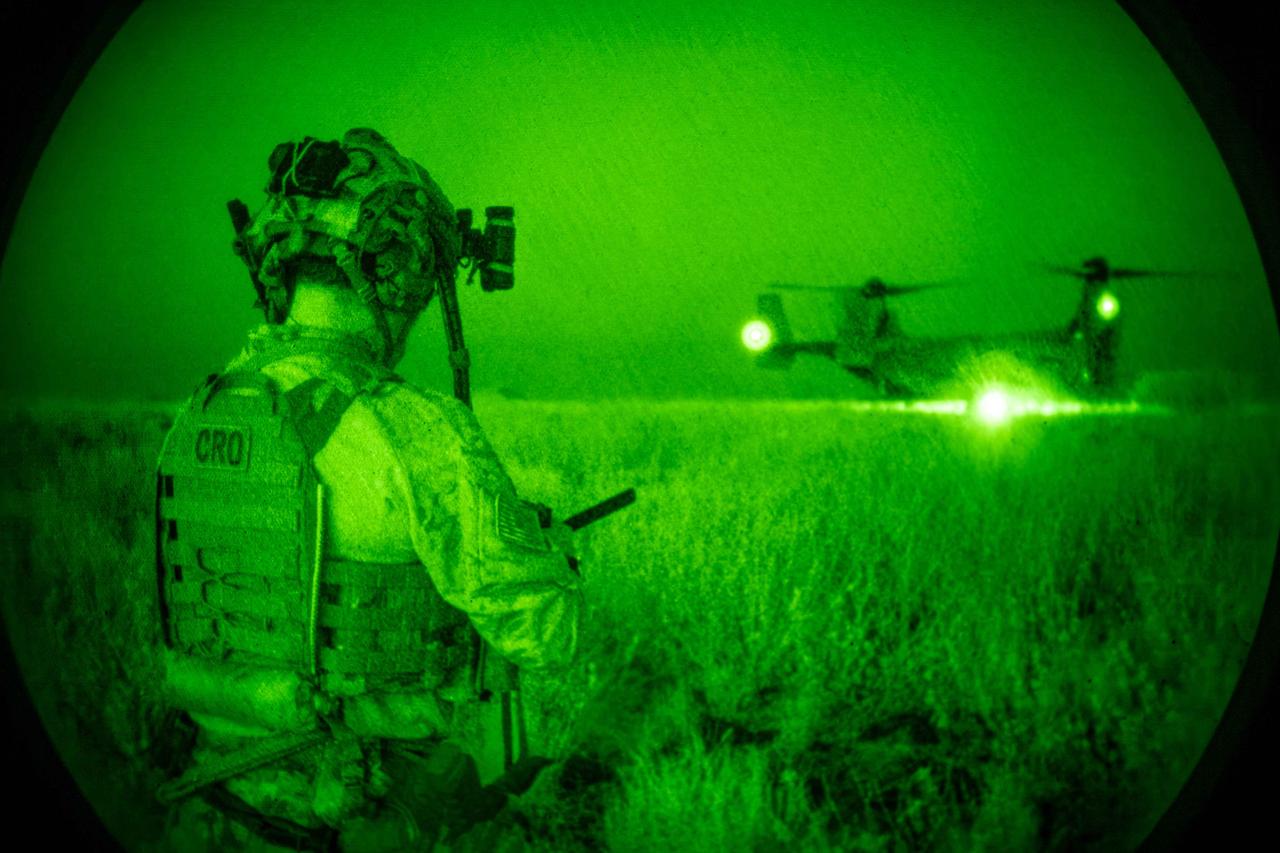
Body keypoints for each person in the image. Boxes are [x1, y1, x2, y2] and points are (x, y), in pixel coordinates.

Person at [153, 128, 583, 851]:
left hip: (206, 806)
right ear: (401, 273)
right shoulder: (414, 428)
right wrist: (552, 553)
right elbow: (547, 634)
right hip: (352, 812)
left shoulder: (196, 414)